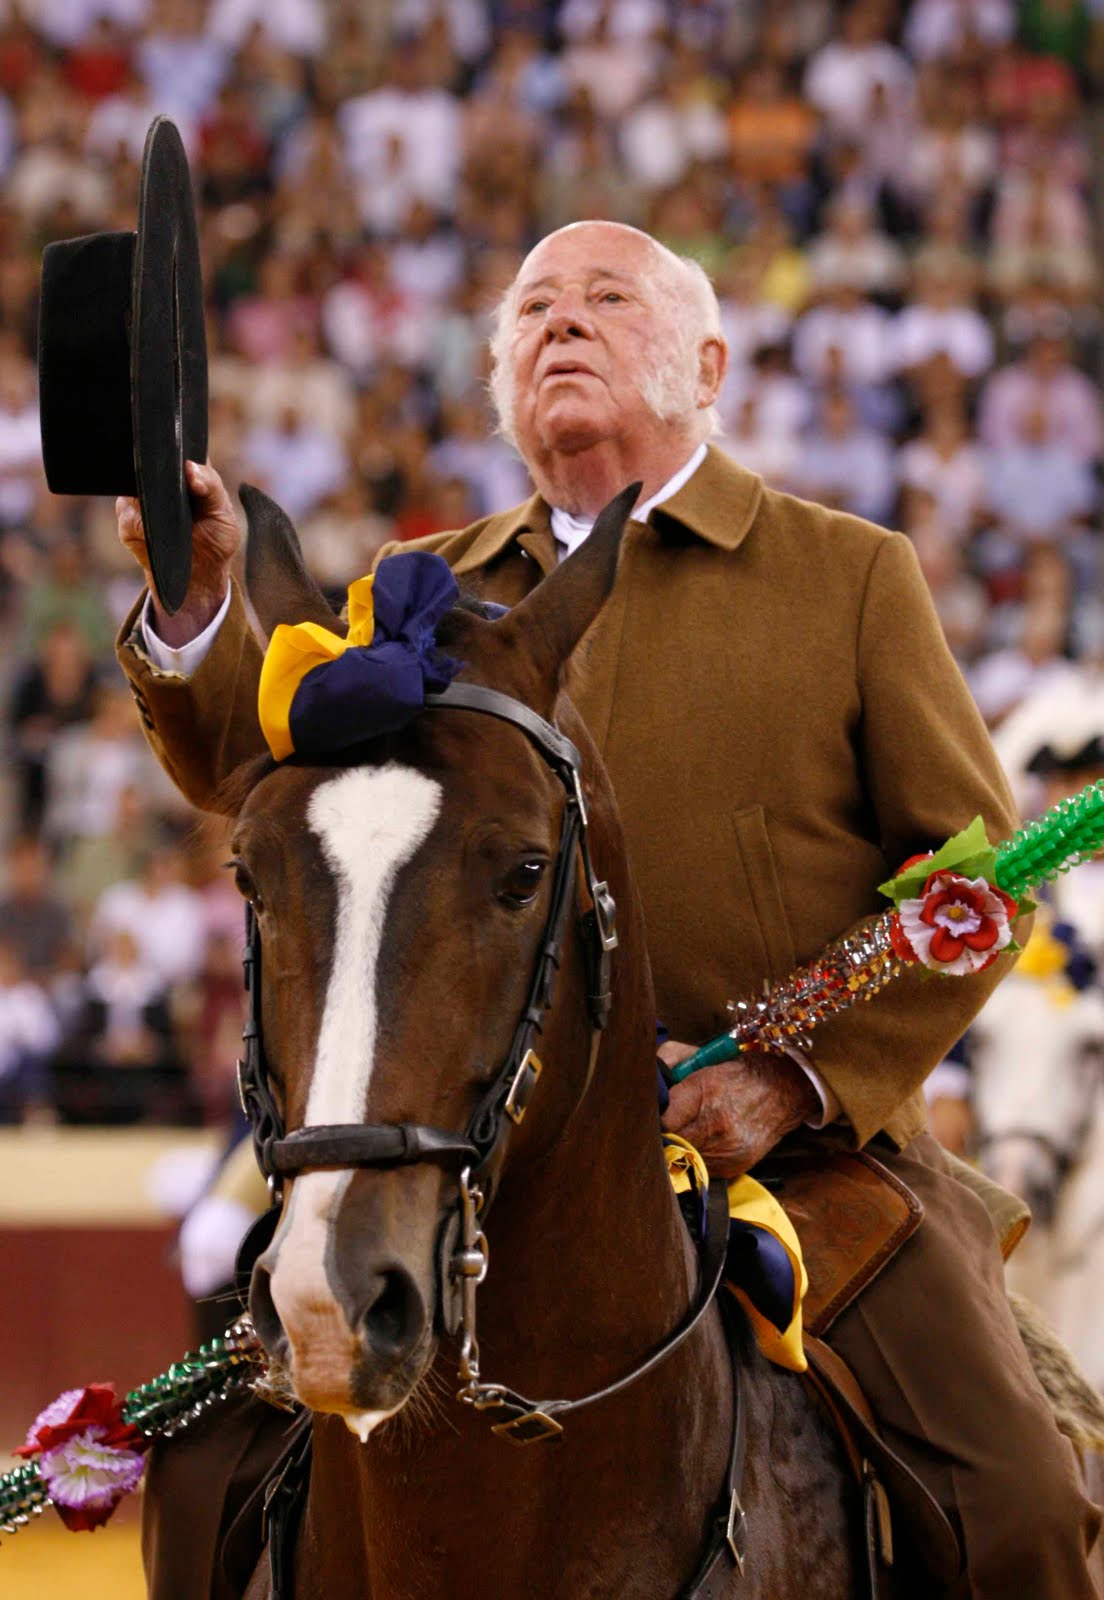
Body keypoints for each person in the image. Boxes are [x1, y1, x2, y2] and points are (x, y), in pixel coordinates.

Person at [114, 221, 1100, 1597]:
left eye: (606, 297)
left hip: (806, 1163)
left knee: (1021, 1512)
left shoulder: (849, 574)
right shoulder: (414, 597)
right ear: (501, 375)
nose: (561, 322)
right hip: (468, 1149)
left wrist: (797, 1077)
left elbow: (979, 881)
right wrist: (196, 607)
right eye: (532, 308)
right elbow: (253, 772)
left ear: (707, 364)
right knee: (207, 1470)